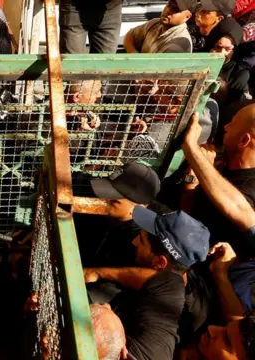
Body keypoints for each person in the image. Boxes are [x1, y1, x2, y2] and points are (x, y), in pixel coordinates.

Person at [84, 207, 210, 360]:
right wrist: (99, 272)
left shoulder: (186, 312)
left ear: (159, 262)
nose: (134, 241)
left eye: (142, 241)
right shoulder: (172, 272)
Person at [181, 103, 255, 258]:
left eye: (232, 123)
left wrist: (191, 149)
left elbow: (186, 229)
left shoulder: (247, 191)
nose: (226, 126)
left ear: (244, 141)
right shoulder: (228, 161)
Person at [84, 162, 162, 267]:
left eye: (114, 200)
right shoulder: (109, 217)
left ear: (139, 207)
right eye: (104, 191)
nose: (103, 199)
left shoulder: (137, 243)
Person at [204, 17, 249, 107]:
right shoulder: (197, 59)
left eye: (227, 49)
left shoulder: (238, 74)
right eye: (218, 47)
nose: (222, 53)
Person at [124, 0, 193, 54]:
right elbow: (130, 35)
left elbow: (156, 69)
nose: (168, 11)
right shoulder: (155, 23)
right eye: (169, 5)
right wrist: (133, 53)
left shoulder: (179, 42)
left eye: (175, 10)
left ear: (187, 17)